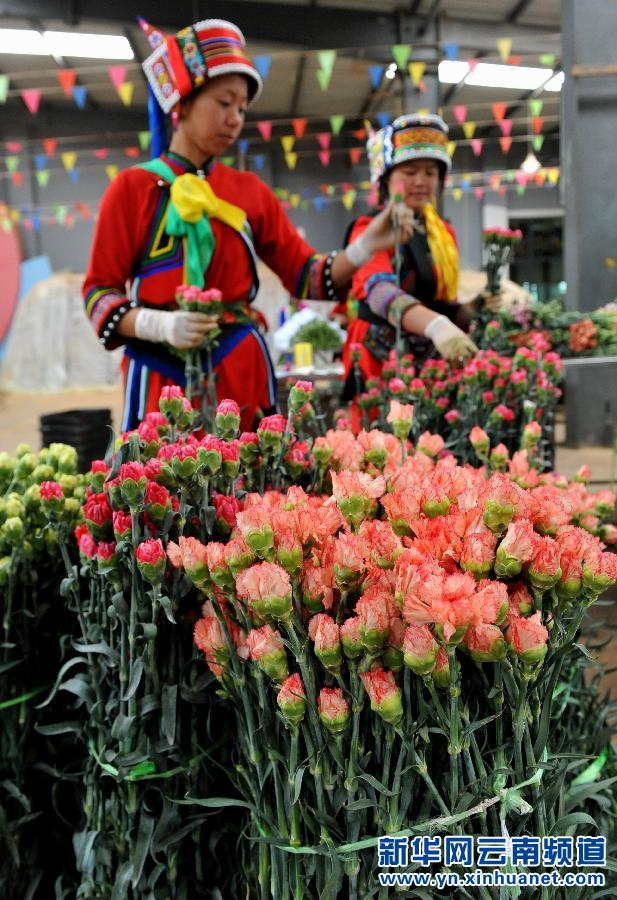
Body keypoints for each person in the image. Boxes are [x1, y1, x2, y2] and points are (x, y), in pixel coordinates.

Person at [83, 17, 398, 431]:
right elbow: (98, 293)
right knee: (156, 489)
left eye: (243, 108)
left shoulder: (249, 191)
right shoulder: (132, 188)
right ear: (184, 101)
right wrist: (156, 324)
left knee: (246, 491)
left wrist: (363, 248)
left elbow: (308, 277)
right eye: (224, 102)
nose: (235, 118)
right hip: (158, 374)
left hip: (239, 369)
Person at [341, 113, 479, 402]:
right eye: (409, 171)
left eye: (430, 173)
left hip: (426, 360)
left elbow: (437, 296)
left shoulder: (442, 233)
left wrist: (470, 310)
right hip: (377, 361)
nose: (420, 181)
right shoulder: (370, 229)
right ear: (386, 178)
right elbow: (378, 292)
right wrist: (436, 325)